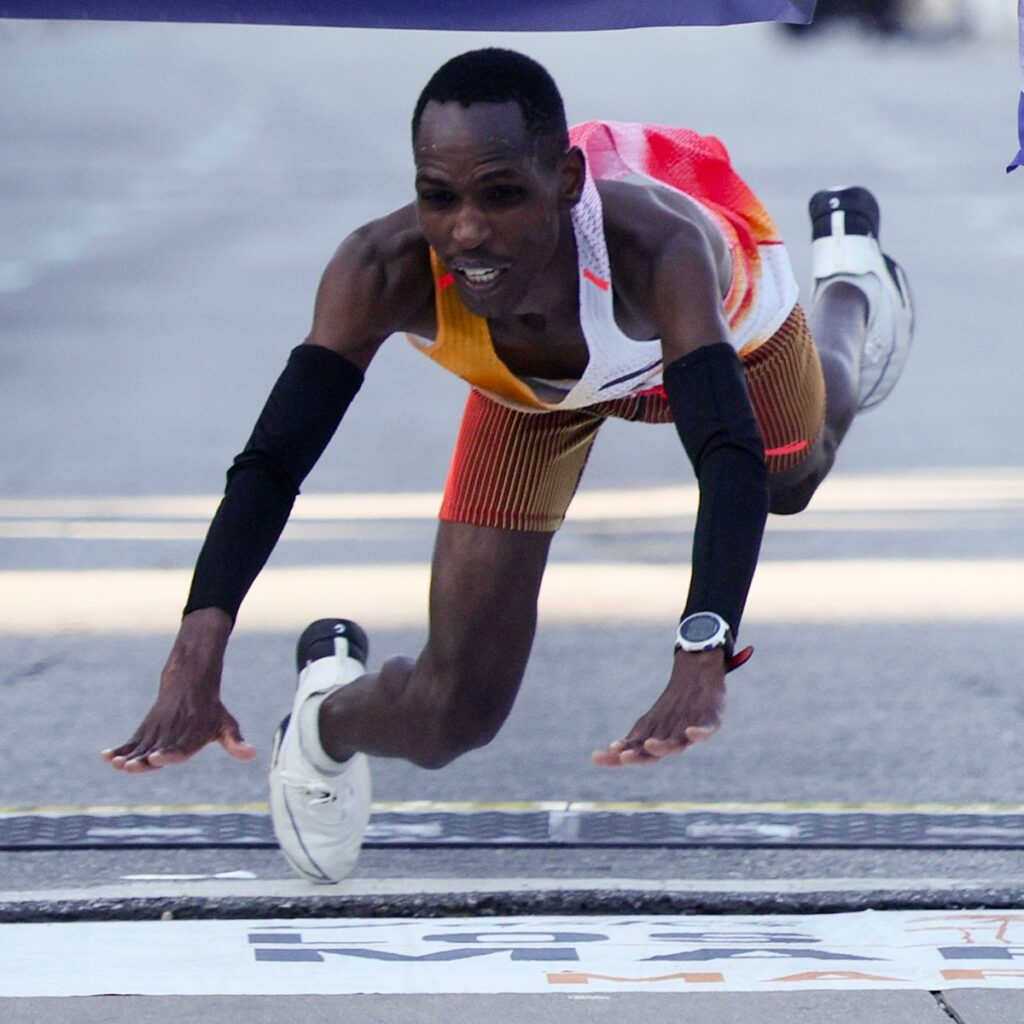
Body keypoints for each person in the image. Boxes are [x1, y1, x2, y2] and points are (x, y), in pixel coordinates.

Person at [101, 48, 914, 883]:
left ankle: (850, 288)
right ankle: (319, 723)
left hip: (723, 341)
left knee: (792, 479)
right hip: (533, 395)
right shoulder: (380, 269)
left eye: (501, 196)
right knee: (458, 713)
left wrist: (700, 651)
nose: (465, 233)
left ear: (565, 184)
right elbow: (273, 460)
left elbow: (724, 454)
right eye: (438, 197)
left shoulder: (659, 248)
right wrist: (196, 649)